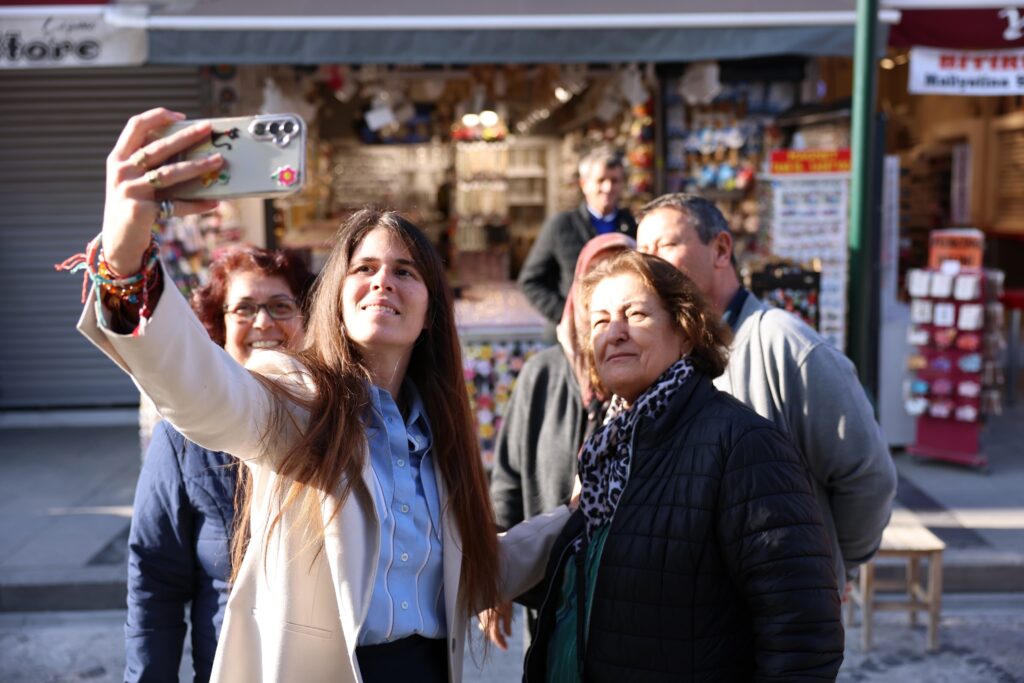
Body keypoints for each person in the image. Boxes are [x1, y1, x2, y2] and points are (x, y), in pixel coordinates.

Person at [76, 108, 569, 683]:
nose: (384, 280)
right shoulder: (295, 398)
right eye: (364, 267)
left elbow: (471, 571)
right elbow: (199, 393)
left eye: (406, 271)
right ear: (335, 297)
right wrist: (125, 259)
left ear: (432, 311)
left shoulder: (436, 433)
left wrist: (575, 517)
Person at [525, 251, 844, 681]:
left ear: (687, 332)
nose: (614, 332)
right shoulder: (607, 446)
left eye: (635, 314)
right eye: (599, 321)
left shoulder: (742, 445)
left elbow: (803, 632)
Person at [636, 193, 897, 584]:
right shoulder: (669, 352)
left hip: (782, 606)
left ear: (721, 249)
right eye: (643, 250)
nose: (650, 262)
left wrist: (830, 566)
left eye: (667, 245)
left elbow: (867, 476)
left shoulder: (786, 344)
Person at [125, 246, 312, 683]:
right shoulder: (182, 436)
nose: (263, 323)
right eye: (244, 309)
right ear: (219, 326)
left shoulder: (338, 423)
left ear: (307, 321)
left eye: (281, 306)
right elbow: (154, 580)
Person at [486, 233, 635, 649]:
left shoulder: (655, 379)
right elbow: (508, 477)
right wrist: (496, 576)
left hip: (632, 605)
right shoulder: (543, 373)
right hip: (548, 592)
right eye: (595, 278)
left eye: (623, 275)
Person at [517, 147, 636, 342]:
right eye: (600, 180)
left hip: (620, 335)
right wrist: (567, 315)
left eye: (614, 181)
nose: (608, 188)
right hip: (568, 338)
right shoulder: (561, 226)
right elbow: (530, 281)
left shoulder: (632, 224)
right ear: (584, 184)